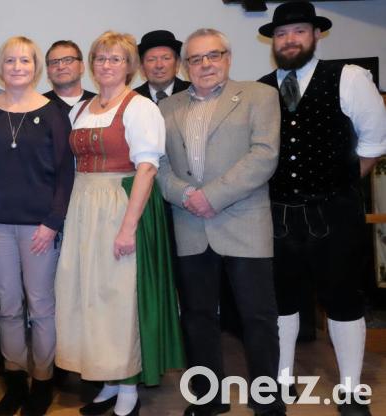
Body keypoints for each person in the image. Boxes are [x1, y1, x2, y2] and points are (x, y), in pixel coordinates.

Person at [257, 2, 386, 415]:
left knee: (343, 300)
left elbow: (374, 143)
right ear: (273, 41)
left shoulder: (348, 77)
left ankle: (350, 391)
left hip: (334, 213)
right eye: (281, 34)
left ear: (316, 35)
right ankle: (282, 381)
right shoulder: (260, 89)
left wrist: (338, 184)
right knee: (281, 301)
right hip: (276, 215)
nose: (289, 39)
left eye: (298, 31)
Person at [155, 28, 286, 416]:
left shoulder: (260, 97)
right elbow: (158, 165)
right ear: (185, 66)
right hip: (190, 224)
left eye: (213, 55)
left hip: (244, 222)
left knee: (258, 317)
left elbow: (264, 156)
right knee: (197, 318)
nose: (205, 64)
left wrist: (212, 196)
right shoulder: (166, 108)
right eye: (195, 59)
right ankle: (207, 398)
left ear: (228, 58)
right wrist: (185, 195)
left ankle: (267, 400)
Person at [55, 31, 185, 416]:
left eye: (115, 59)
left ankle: (128, 384)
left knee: (120, 296)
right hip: (84, 204)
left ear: (129, 66)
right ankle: (109, 378)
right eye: (100, 58)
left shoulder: (140, 107)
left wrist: (128, 227)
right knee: (89, 293)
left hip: (120, 203)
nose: (106, 65)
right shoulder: (81, 109)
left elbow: (147, 168)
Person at [0, 36, 74, 416]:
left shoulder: (54, 112)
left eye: (25, 61)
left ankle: (42, 382)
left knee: (41, 306)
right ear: (1, 66)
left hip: (39, 227)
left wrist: (53, 221)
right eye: (11, 61)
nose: (17, 67)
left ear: (36, 67)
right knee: (7, 307)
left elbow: (66, 172)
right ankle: (15, 381)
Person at [133, 30, 190, 104]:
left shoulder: (192, 93)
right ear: (141, 68)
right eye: (151, 60)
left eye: (166, 58)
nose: (159, 65)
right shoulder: (133, 99)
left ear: (177, 64)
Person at [42, 40, 95, 113]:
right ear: (47, 71)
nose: (61, 67)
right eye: (54, 62)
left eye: (68, 60)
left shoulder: (98, 103)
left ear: (81, 66)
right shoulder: (37, 106)